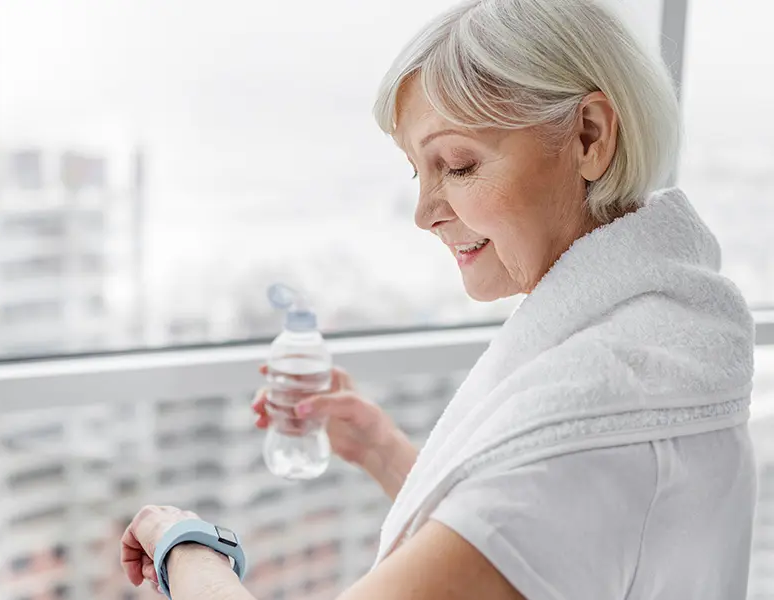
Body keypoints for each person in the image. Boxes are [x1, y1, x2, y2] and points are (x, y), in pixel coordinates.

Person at [121, 0, 757, 598]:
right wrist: (380, 449)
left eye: (457, 165)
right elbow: (533, 552)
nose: (425, 214)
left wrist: (186, 547)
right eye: (417, 172)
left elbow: (543, 498)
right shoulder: (660, 341)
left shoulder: (604, 423)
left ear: (588, 137)